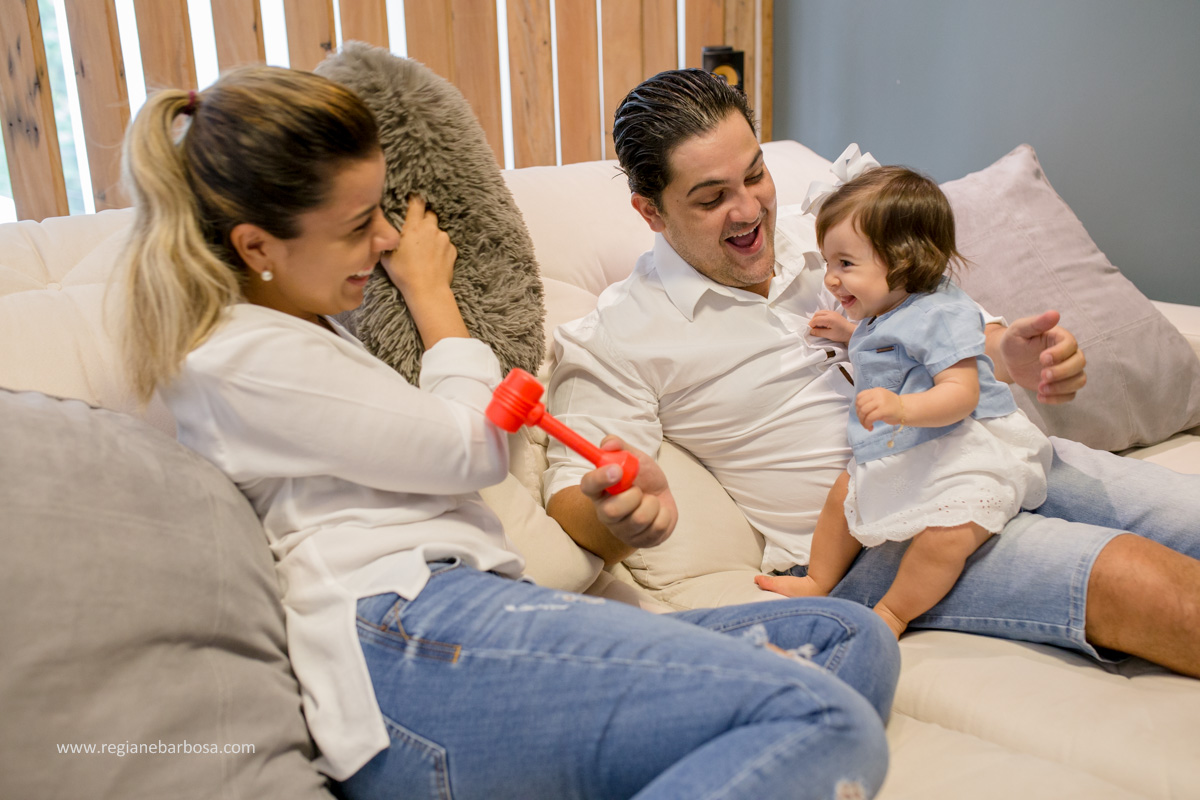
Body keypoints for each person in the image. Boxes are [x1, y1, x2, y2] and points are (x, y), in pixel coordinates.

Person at [117, 65, 900, 800]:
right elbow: (472, 446)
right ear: (256, 246)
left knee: (846, 634)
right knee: (828, 721)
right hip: (408, 634)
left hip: (464, 616)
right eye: (360, 224)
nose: (386, 240)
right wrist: (433, 300)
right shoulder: (243, 355)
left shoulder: (300, 339)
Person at [543, 68, 1200, 679]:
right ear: (650, 212)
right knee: (1144, 585)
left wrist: (1011, 354)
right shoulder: (618, 335)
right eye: (712, 198)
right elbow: (572, 496)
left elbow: (948, 325)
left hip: (994, 454)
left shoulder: (830, 230)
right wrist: (616, 516)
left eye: (755, 176)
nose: (749, 212)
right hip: (885, 536)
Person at [759, 159, 1055, 639]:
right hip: (904, 445)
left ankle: (895, 612)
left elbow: (962, 393)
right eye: (829, 263)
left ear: (901, 262)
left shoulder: (941, 313)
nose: (831, 279)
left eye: (845, 264)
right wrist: (848, 331)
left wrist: (902, 409)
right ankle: (818, 578)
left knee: (948, 536)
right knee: (843, 496)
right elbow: (893, 344)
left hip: (959, 444)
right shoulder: (888, 307)